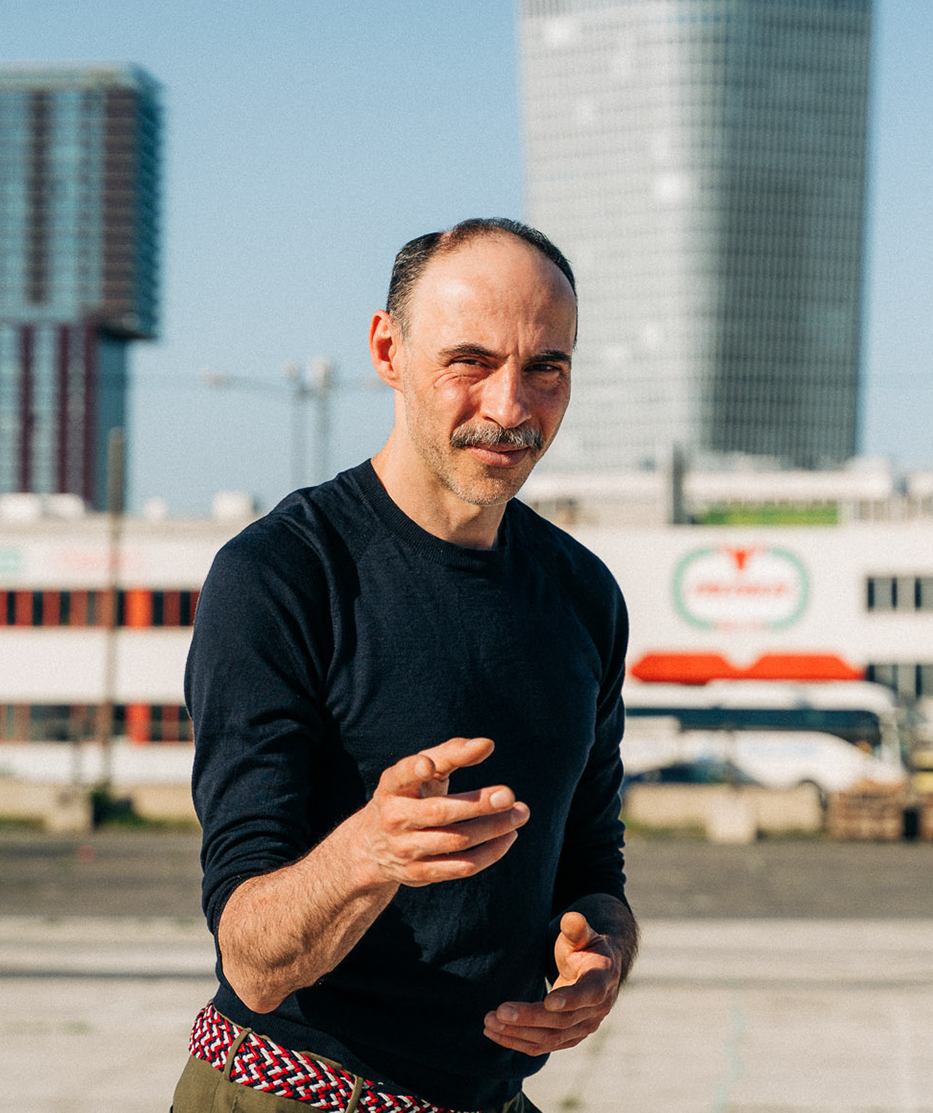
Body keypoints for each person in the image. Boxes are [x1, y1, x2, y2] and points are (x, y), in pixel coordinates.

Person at [175, 219, 637, 1113]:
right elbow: (252, 960)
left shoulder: (584, 595)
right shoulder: (281, 577)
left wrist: (600, 957)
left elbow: (594, 868)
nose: (510, 407)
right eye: (470, 361)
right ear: (388, 349)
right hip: (292, 1092)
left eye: (547, 367)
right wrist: (369, 852)